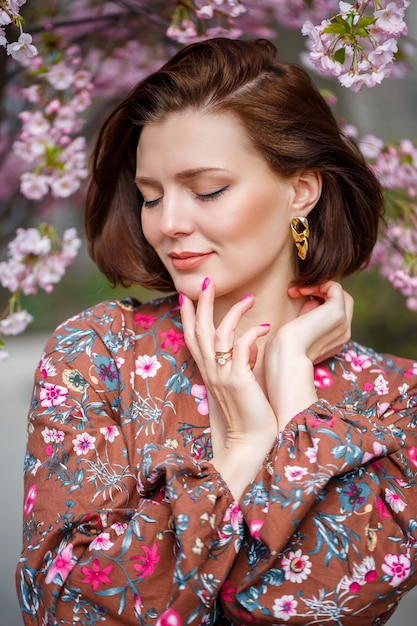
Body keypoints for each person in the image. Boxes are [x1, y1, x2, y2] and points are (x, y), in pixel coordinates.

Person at [16, 37, 417, 626]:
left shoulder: (396, 398)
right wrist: (242, 450)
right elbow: (64, 609)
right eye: (150, 197)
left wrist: (295, 392)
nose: (169, 223)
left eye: (207, 191)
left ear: (300, 191)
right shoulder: (97, 352)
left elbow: (319, 603)